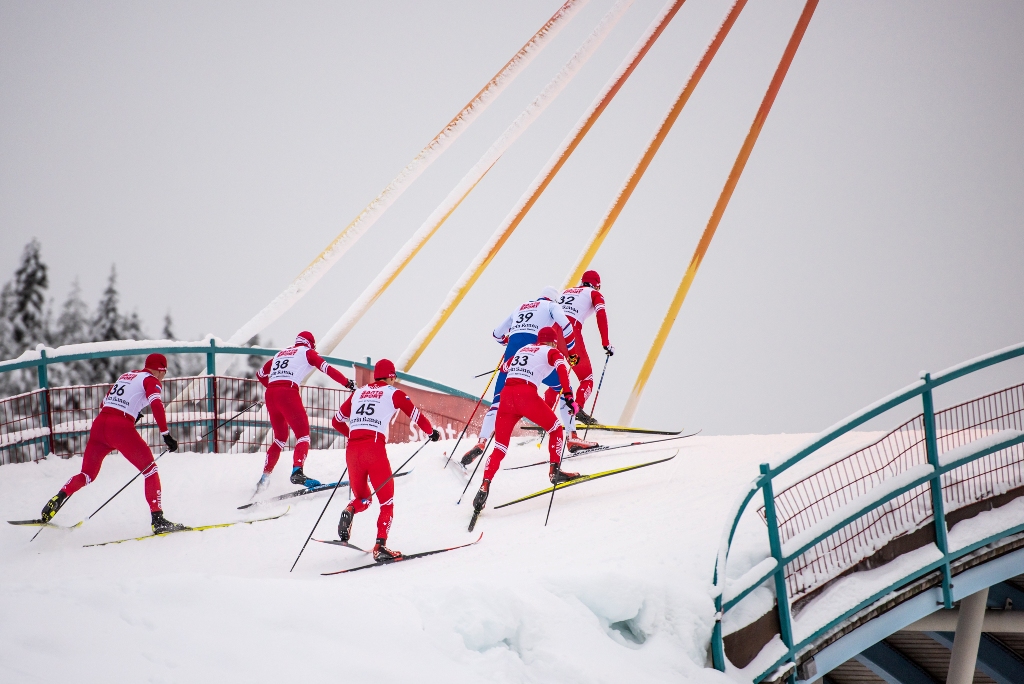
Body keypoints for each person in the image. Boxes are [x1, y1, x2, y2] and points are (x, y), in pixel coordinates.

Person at [39, 353, 185, 534]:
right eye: (164, 372)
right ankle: (158, 520)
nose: (164, 376)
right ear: (159, 369)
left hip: (100, 425)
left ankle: (60, 495)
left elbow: (104, 403)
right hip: (120, 428)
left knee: (87, 474)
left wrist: (131, 413)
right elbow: (156, 405)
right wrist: (166, 434)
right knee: (150, 471)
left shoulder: (127, 375)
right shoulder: (151, 380)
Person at [331, 359, 440, 562]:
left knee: (363, 498)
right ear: (390, 376)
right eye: (394, 377)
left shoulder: (358, 393)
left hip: (353, 450)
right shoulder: (393, 393)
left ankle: (350, 509)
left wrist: (353, 435)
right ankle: (380, 545)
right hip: (374, 448)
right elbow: (415, 414)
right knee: (386, 502)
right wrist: (431, 432)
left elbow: (336, 421)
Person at [472, 327, 581, 518]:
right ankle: (555, 471)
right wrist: (569, 396)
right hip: (526, 395)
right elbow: (563, 368)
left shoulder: (524, 349)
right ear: (553, 341)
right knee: (555, 429)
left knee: (499, 448)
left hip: (506, 397)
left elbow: (505, 366)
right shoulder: (552, 351)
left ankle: (485, 484)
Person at [460, 286, 575, 466]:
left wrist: (509, 341)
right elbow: (566, 325)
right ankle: (572, 435)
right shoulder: (551, 307)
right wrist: (572, 349)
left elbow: (497, 334)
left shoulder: (520, 306)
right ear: (553, 299)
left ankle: (481, 442)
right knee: (563, 387)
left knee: (497, 404)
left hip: (512, 359)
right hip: (535, 358)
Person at [255, 331, 355, 494]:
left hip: (271, 394)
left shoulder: (280, 354)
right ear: (310, 344)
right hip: (288, 392)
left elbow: (260, 374)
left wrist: (273, 387)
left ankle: (264, 478)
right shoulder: (307, 352)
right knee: (303, 435)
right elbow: (327, 369)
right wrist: (347, 383)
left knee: (280, 438)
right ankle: (297, 472)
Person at [553, 269, 613, 425]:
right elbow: (601, 315)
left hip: (550, 332)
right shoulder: (594, 294)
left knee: (554, 379)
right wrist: (606, 342)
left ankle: (544, 411)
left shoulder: (566, 292)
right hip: (570, 332)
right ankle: (577, 408)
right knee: (587, 379)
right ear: (597, 285)